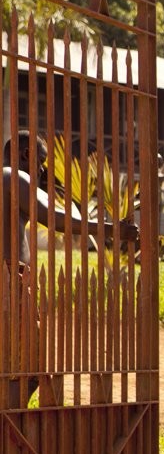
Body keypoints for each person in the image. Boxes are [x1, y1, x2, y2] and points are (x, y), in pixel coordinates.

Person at [3, 131, 138, 408]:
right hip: (9, 282)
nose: (42, 171)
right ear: (27, 155)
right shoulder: (13, 176)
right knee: (28, 369)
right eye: (41, 162)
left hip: (11, 281)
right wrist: (113, 229)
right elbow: (55, 218)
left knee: (12, 364)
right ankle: (8, 425)